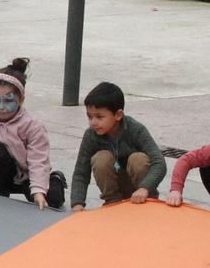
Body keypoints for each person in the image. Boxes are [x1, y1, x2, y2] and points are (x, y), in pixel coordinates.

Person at [0, 57, 64, 209]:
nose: (1, 107)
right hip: (4, 174)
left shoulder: (33, 126)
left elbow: (38, 160)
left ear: (21, 100)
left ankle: (56, 179)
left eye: (8, 101)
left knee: (51, 202)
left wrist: (38, 191)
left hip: (28, 175)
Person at [68, 82, 166, 210]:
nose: (93, 122)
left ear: (118, 115)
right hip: (115, 185)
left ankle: (149, 201)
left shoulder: (136, 130)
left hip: (141, 191)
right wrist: (77, 203)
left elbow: (159, 163)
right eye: (90, 116)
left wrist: (145, 188)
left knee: (138, 159)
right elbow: (81, 172)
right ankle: (112, 202)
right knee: (101, 159)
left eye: (99, 117)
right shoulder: (91, 135)